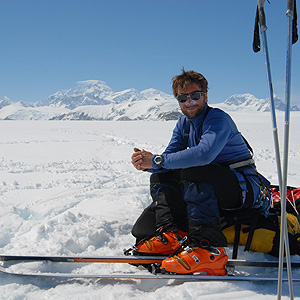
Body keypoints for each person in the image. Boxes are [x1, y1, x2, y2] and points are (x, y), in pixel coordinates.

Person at [130, 69, 270, 275]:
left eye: (195, 95)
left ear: (205, 96)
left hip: (243, 190)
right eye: (183, 98)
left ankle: (208, 249)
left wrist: (157, 160)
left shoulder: (217, 120)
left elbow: (204, 155)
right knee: (161, 175)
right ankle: (171, 234)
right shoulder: (183, 124)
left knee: (194, 169)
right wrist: (148, 163)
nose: (190, 102)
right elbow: (168, 160)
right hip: (213, 189)